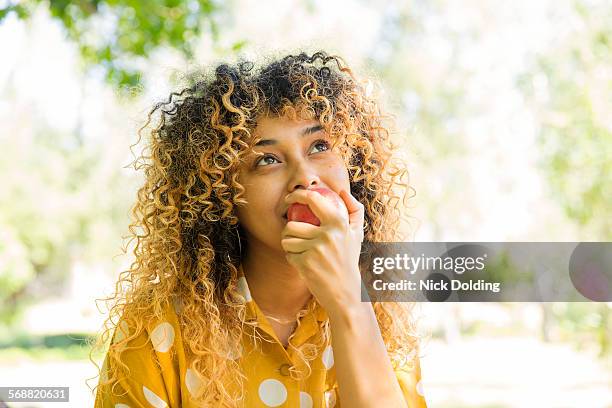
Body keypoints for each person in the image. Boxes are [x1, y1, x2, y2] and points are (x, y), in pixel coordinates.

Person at [93, 50, 427, 407]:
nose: (305, 177)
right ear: (222, 193)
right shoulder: (157, 329)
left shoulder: (380, 312)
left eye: (319, 146)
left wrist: (349, 303)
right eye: (268, 160)